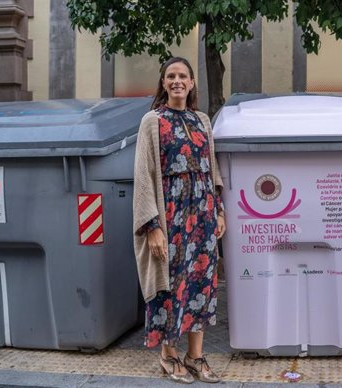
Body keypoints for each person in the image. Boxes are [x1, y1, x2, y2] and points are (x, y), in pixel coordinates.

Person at [133, 56, 226, 384]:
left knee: (200, 283)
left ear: (190, 83)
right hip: (170, 218)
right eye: (170, 76)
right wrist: (152, 227)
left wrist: (219, 211)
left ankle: (195, 356)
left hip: (201, 218)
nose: (177, 81)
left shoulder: (202, 120)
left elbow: (212, 169)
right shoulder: (151, 121)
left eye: (182, 76)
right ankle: (168, 355)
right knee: (170, 287)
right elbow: (143, 176)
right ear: (163, 83)